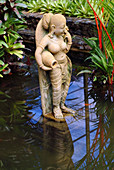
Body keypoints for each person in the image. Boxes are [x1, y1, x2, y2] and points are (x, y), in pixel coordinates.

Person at [35, 13, 75, 119]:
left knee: (65, 85)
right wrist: (41, 65)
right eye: (62, 27)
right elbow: (38, 52)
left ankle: (62, 105)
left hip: (64, 63)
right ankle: (56, 107)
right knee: (57, 87)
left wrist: (69, 40)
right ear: (53, 27)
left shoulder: (61, 36)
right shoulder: (47, 39)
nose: (65, 29)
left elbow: (65, 50)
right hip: (55, 65)